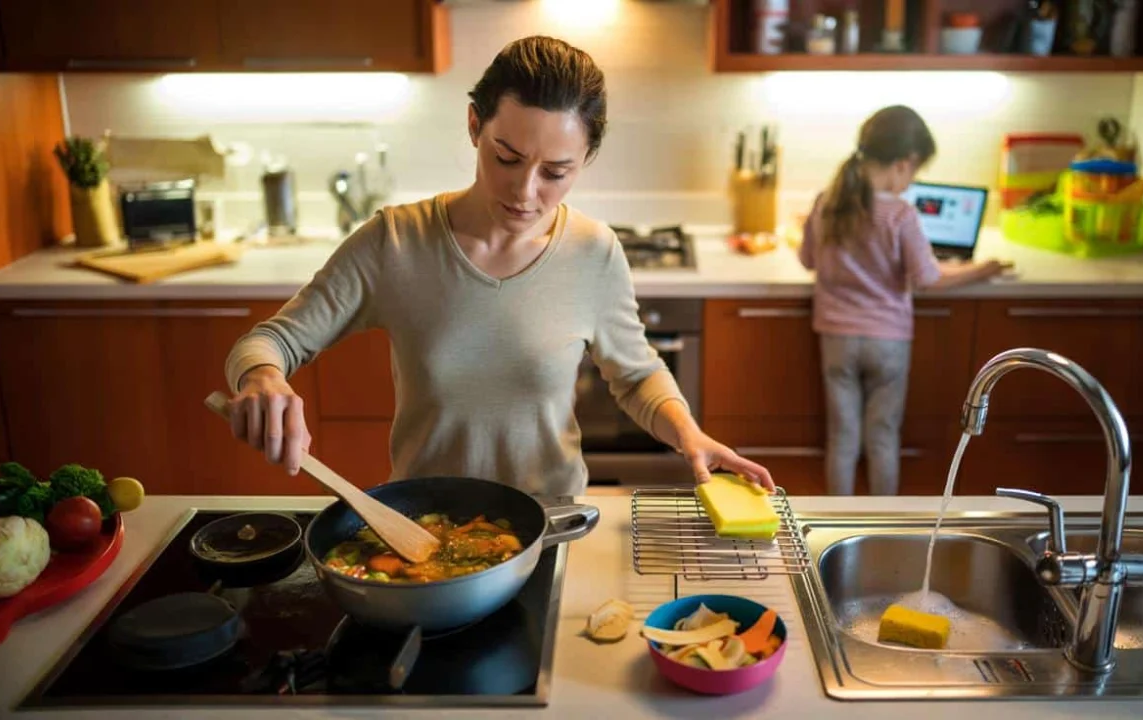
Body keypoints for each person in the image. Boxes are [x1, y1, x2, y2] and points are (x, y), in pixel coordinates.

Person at [223, 36, 773, 497]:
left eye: (555, 172)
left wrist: (689, 434)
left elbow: (635, 375)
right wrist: (262, 377)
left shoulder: (595, 252)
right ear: (474, 127)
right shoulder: (396, 243)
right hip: (427, 529)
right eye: (507, 158)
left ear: (584, 160)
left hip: (551, 524)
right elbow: (269, 342)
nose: (525, 191)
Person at [797, 105, 1009, 496]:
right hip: (887, 342)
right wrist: (982, 270)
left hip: (836, 338)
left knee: (842, 437)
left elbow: (808, 260)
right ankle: (885, 522)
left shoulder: (828, 201)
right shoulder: (900, 214)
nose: (911, 182)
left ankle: (832, 522)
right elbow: (928, 278)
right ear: (903, 163)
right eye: (914, 173)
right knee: (882, 435)